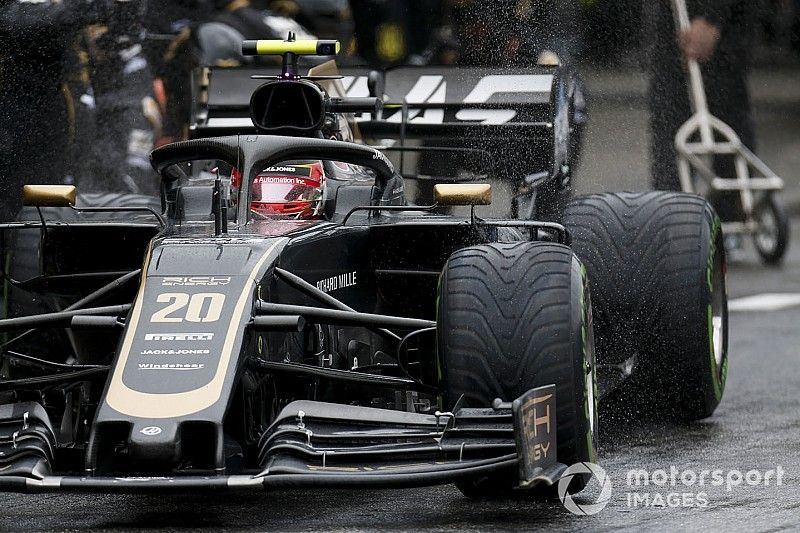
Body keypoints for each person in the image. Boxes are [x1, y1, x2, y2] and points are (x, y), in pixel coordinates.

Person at [645, 0, 757, 221]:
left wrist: (711, 17)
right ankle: (671, 215)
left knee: (727, 119)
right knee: (671, 126)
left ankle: (732, 213)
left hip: (723, 28)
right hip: (674, 23)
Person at [0, 0, 91, 221]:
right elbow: (20, 20)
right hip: (13, 114)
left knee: (47, 203)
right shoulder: (15, 14)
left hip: (50, 116)